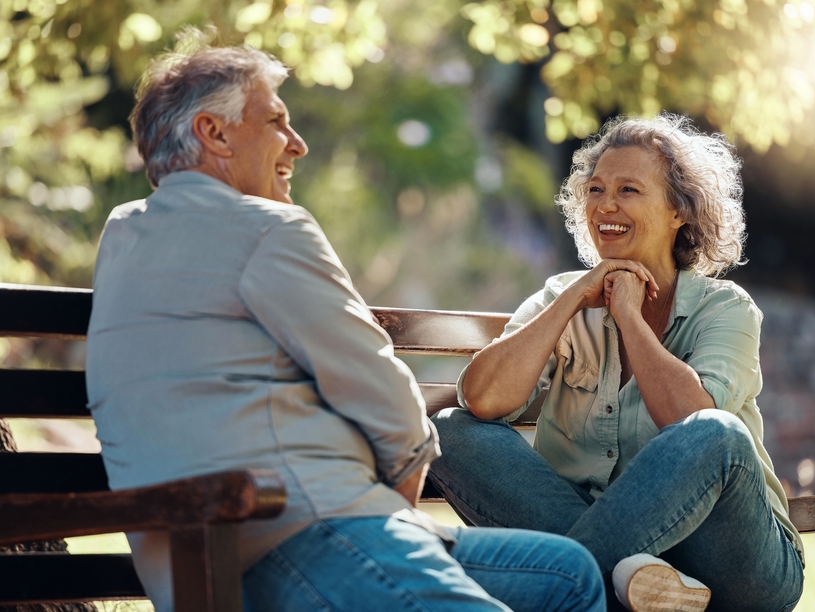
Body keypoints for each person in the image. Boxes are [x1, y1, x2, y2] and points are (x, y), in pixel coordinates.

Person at [85, 32, 605, 612]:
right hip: (303, 532)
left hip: (205, 558)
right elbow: (383, 393)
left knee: (568, 573)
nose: (297, 144)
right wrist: (393, 500)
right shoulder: (267, 229)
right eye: (277, 120)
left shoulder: (125, 233)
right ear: (214, 132)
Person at [427, 114, 805, 612]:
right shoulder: (562, 296)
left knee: (717, 433)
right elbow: (482, 398)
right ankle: (632, 587)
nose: (605, 205)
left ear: (679, 212)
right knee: (455, 430)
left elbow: (688, 416)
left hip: (737, 563)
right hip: (603, 537)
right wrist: (573, 300)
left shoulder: (725, 308)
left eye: (628, 189)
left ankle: (566, 587)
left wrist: (629, 315)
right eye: (596, 189)